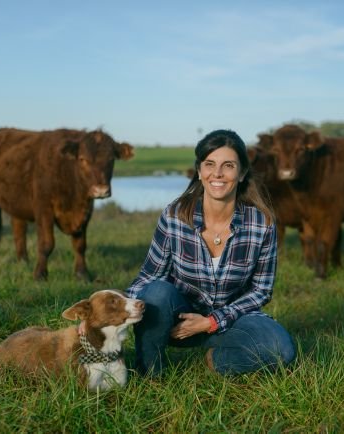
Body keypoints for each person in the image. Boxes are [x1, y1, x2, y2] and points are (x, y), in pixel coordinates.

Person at [126, 129, 296, 376]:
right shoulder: (174, 217)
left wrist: (212, 321)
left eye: (228, 165)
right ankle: (150, 371)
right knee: (156, 291)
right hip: (178, 322)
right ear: (199, 171)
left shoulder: (262, 224)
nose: (217, 173)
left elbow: (261, 290)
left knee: (283, 351)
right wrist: (111, 311)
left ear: (242, 173)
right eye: (210, 164)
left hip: (231, 321)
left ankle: (219, 360)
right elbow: (148, 277)